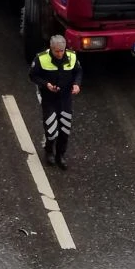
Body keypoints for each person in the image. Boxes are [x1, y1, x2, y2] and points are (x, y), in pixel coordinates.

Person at [29, 33, 82, 169]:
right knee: (51, 129)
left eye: (61, 51)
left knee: (65, 129)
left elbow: (78, 72)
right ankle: (49, 151)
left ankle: (60, 155)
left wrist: (76, 84)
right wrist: (46, 84)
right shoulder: (41, 59)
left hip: (65, 99)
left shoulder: (72, 57)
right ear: (51, 48)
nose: (59, 54)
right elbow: (33, 75)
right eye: (56, 51)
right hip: (49, 99)